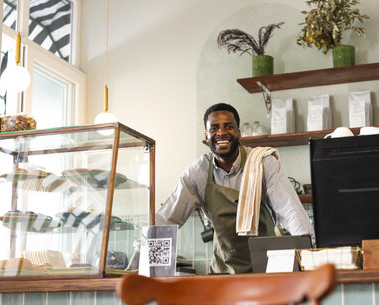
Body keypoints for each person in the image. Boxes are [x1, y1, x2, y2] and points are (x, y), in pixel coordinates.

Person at [129, 103, 314, 274]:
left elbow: (291, 213)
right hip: (221, 272)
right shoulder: (196, 173)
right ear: (206, 136)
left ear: (239, 133)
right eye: (214, 128)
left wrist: (312, 259)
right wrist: (138, 263)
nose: (221, 132)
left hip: (265, 271)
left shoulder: (263, 163)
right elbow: (166, 220)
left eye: (229, 126)